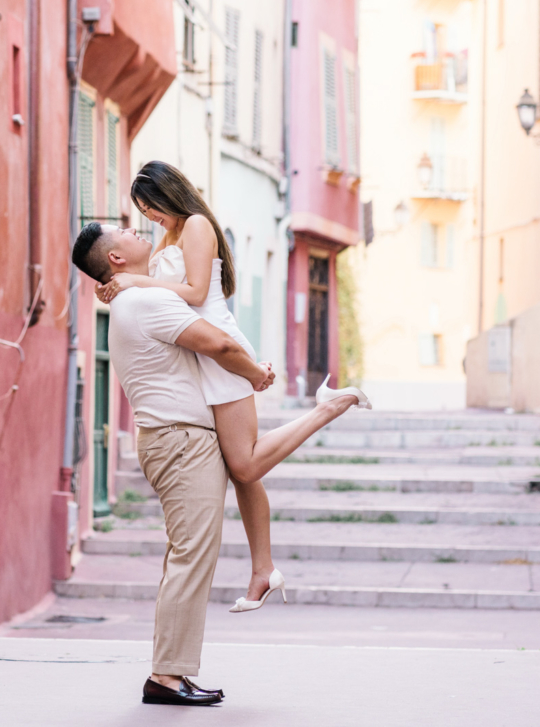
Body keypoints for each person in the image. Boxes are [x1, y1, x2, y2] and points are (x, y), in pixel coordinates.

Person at [73, 221, 364, 707]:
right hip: (182, 442)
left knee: (187, 556)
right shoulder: (145, 302)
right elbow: (220, 345)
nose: (134, 226)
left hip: (174, 439)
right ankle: (167, 678)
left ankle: (172, 672)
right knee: (191, 556)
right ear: (115, 259)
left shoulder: (133, 298)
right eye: (124, 229)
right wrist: (257, 373)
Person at [97, 160, 372, 611]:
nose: (150, 219)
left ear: (169, 195)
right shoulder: (167, 237)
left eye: (152, 208)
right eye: (144, 213)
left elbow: (194, 291)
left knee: (244, 466)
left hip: (219, 349)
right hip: (200, 357)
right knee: (240, 469)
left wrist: (133, 279)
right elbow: (158, 295)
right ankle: (263, 570)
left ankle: (328, 406)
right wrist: (117, 286)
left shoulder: (197, 225)